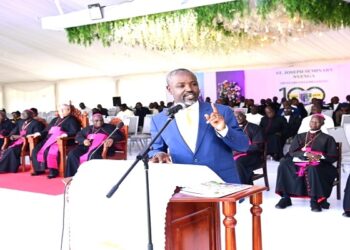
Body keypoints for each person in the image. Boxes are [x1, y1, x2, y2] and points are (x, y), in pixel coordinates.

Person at [148, 68, 249, 183]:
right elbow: (155, 149)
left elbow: (243, 146)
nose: (190, 89)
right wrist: (158, 154)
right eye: (181, 85)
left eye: (194, 84)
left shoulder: (222, 111)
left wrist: (223, 129)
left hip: (221, 183)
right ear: (169, 89)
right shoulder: (159, 120)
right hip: (182, 183)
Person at [275, 114, 338, 212]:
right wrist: (305, 153)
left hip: (320, 164)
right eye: (312, 121)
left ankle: (315, 200)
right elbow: (292, 152)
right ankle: (285, 198)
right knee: (284, 163)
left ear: (322, 123)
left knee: (313, 168)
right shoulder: (300, 136)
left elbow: (333, 156)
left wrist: (320, 156)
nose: (314, 123)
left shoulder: (328, 138)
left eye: (317, 122)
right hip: (301, 160)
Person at [31, 104, 81, 178]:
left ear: (69, 110)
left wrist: (66, 134)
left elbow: (75, 132)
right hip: (48, 140)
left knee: (49, 151)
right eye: (59, 110)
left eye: (63, 110)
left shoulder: (72, 120)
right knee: (36, 149)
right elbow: (47, 130)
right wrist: (39, 133)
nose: (60, 111)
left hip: (62, 141)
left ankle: (53, 171)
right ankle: (39, 169)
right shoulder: (55, 119)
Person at [234, 111, 264, 184]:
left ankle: (243, 186)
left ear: (245, 116)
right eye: (235, 117)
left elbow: (257, 146)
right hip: (235, 154)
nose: (237, 118)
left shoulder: (255, 128)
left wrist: (240, 150)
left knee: (238, 162)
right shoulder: (232, 128)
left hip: (253, 156)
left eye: (240, 116)